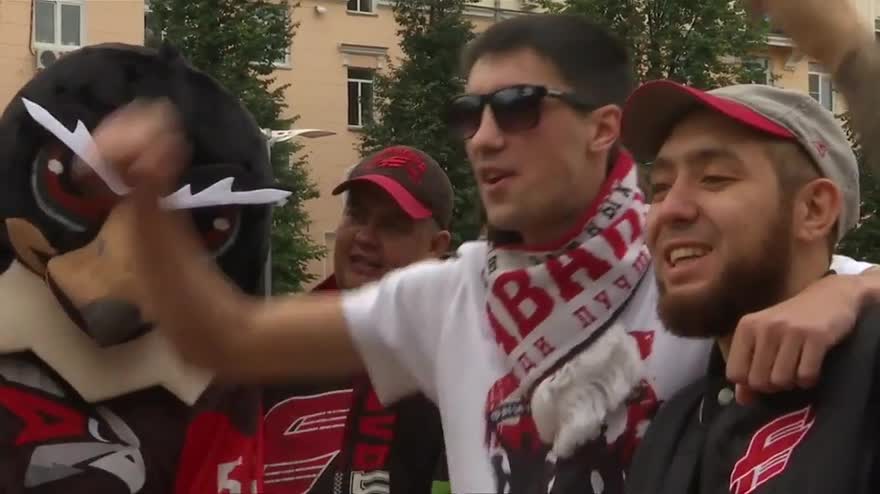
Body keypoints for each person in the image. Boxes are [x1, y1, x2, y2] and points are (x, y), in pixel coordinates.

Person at [85, 7, 880, 494]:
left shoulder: (687, 261)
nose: (485, 138)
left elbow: (814, 277)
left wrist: (851, 290)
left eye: (519, 107)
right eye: (470, 114)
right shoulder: (449, 297)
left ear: (603, 129)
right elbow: (227, 338)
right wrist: (148, 204)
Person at [261, 145, 449, 494]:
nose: (364, 236)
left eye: (392, 225)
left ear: (436, 247)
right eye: (357, 215)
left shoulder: (455, 364)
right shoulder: (280, 345)